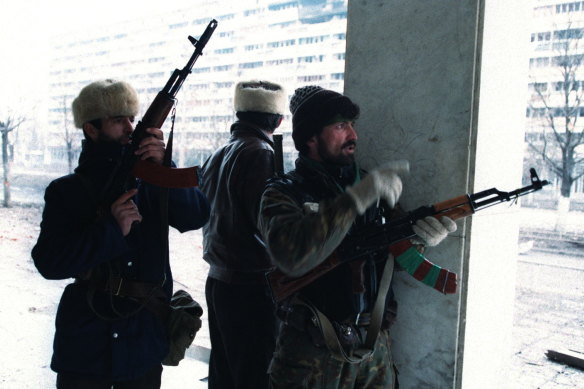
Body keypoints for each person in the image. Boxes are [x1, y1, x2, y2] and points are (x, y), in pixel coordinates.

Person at [257, 85, 459, 388]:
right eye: (341, 126)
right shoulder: (283, 193)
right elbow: (292, 257)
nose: (353, 135)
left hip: (373, 347)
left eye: (352, 125)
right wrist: (357, 198)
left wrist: (420, 236)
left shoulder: (369, 184)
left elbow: (394, 253)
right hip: (311, 354)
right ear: (310, 137)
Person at [31, 79, 210, 389]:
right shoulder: (66, 192)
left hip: (142, 338)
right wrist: (111, 231)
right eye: (118, 120)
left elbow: (194, 216)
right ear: (91, 129)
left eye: (132, 118)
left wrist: (164, 166)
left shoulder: (152, 178)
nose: (130, 127)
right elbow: (49, 263)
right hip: (86, 344)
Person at [199, 80, 287, 389]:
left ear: (240, 113)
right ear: (278, 120)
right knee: (256, 377)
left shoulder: (217, 155)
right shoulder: (262, 153)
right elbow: (270, 228)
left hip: (219, 283)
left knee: (224, 374)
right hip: (252, 288)